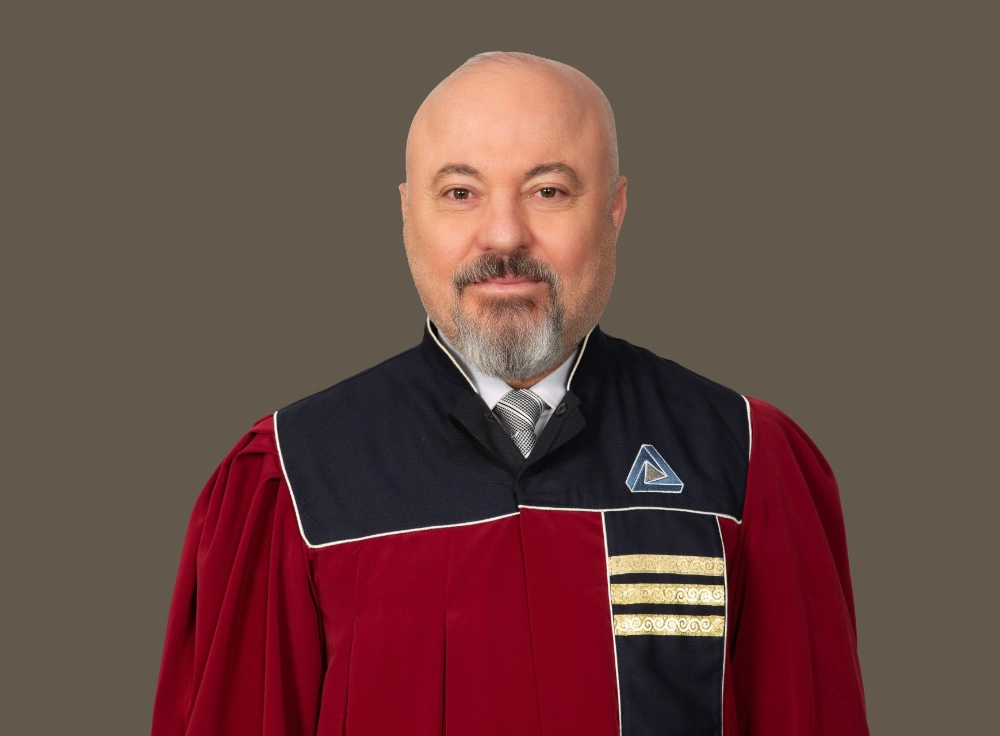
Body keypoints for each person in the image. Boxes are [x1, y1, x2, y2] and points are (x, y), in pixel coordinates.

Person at [152, 52, 869, 735]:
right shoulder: (294, 479)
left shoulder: (743, 459)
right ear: (407, 213)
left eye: (548, 191)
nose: (503, 236)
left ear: (615, 208)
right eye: (460, 193)